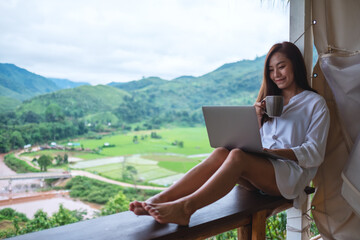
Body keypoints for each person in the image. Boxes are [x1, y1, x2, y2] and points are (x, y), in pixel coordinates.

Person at [129, 41, 330, 226]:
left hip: (290, 176)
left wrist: (276, 152)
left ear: (295, 64)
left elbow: (315, 153)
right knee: (221, 152)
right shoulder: (267, 100)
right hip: (261, 171)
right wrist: (257, 121)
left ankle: (185, 208)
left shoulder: (314, 104)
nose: (276, 74)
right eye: (270, 69)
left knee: (237, 156)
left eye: (281, 66)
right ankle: (160, 199)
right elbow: (252, 141)